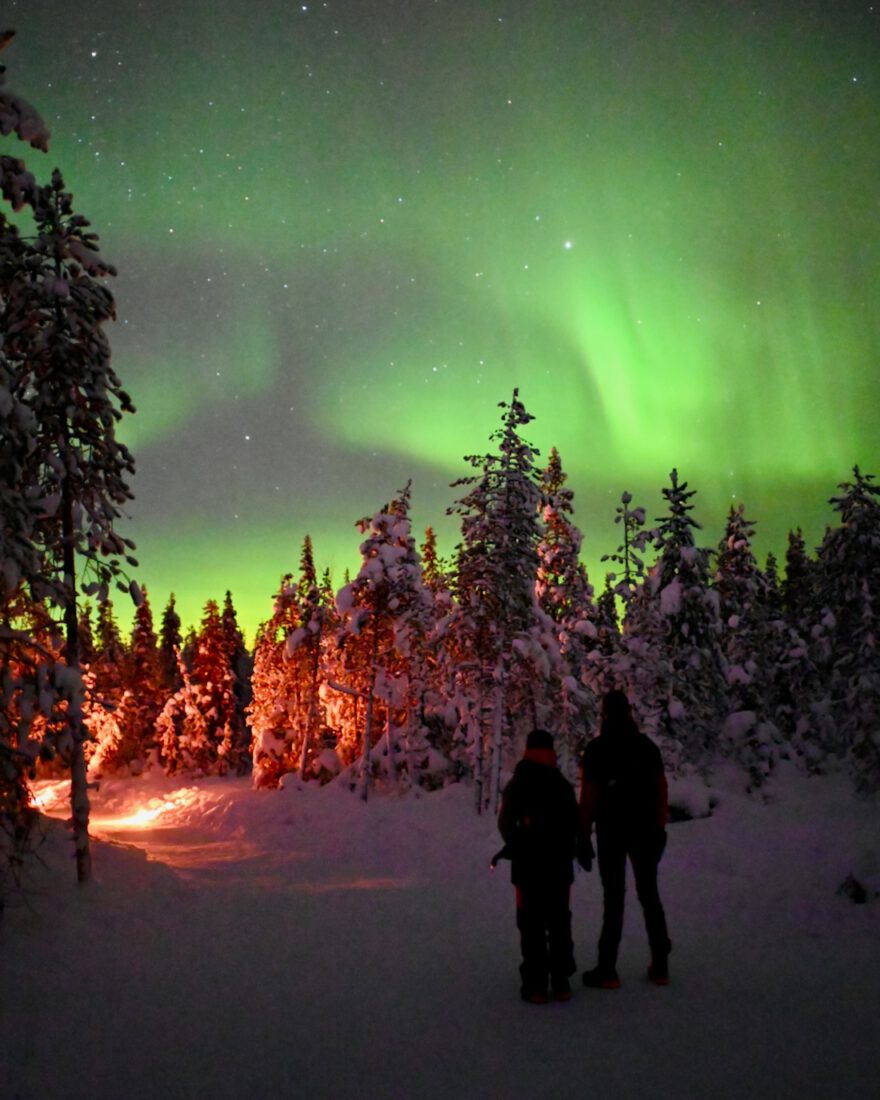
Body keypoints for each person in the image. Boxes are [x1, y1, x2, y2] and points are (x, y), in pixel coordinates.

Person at [579, 689, 672, 988]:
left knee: (614, 899)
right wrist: (659, 827)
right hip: (644, 830)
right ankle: (660, 965)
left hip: (611, 832)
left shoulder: (597, 749)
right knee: (649, 895)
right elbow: (661, 789)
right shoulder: (646, 747)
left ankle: (607, 969)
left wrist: (582, 834)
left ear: (605, 714)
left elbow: (589, 796)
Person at [497, 728, 580, 1004]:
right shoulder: (562, 785)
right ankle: (561, 981)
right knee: (558, 920)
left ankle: (534, 984)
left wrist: (519, 842)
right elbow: (575, 823)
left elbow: (506, 823)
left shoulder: (518, 783)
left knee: (530, 922)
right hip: (559, 867)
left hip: (527, 867)